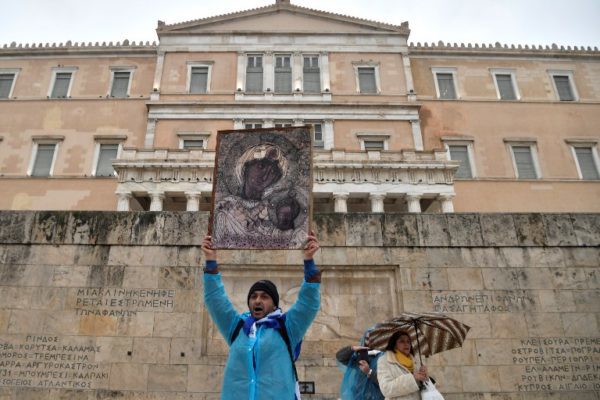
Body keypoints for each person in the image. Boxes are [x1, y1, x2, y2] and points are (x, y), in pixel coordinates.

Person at [201, 232, 321, 400]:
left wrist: (309, 261)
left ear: (274, 304)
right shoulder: (237, 328)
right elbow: (215, 300)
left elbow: (308, 304)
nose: (257, 300)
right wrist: (211, 260)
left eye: (264, 297)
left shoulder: (287, 328)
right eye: (253, 296)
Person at [377, 330, 429, 400]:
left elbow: (423, 386)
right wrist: (413, 378)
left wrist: (425, 376)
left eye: (408, 341)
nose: (406, 344)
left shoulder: (416, 361)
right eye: (402, 341)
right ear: (394, 344)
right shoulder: (384, 360)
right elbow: (386, 389)